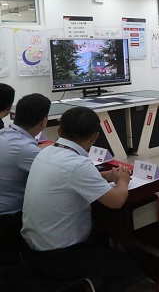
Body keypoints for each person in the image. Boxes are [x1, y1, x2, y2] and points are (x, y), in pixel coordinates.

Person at [21, 107, 139, 292]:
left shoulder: (45, 152)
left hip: (33, 246)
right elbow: (116, 201)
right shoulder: (77, 164)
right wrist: (122, 181)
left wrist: (108, 175)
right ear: (95, 137)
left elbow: (71, 178)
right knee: (129, 267)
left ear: (59, 130)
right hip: (58, 255)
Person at [0, 94, 51, 251]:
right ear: (43, 121)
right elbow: (56, 177)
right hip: (9, 218)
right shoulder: (25, 149)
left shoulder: (4, 134)